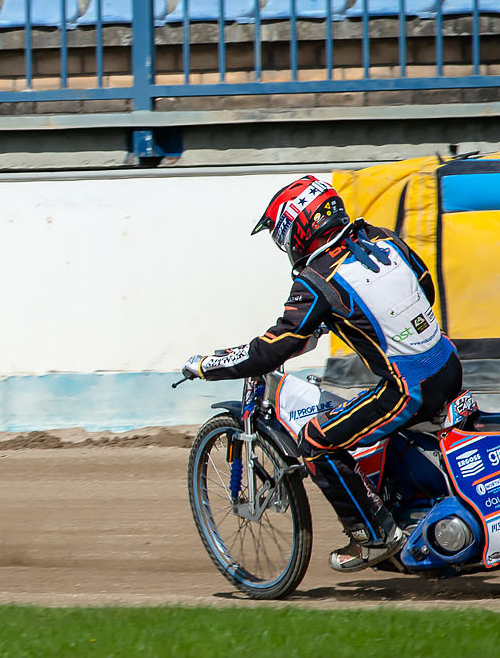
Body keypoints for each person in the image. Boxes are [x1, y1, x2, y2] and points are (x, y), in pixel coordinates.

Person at [183, 174, 466, 570]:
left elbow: (271, 350)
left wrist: (207, 365)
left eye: (284, 239)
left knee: (316, 442)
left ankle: (373, 536)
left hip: (409, 390)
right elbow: (425, 286)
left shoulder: (316, 279)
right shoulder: (382, 237)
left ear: (300, 229)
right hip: (449, 364)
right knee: (364, 415)